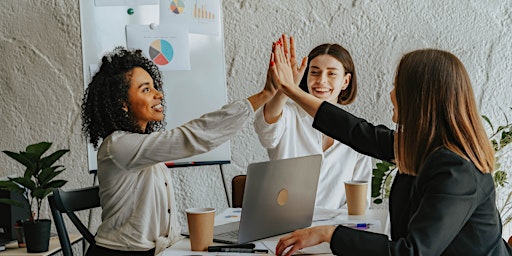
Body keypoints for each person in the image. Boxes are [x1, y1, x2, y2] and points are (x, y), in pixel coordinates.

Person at [269, 39, 512, 255]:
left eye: (398, 87)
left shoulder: (456, 170)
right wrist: (291, 90)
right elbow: (356, 131)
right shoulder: (424, 147)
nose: (391, 94)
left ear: (419, 99)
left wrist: (329, 234)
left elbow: (412, 252)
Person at [81, 47, 276, 256]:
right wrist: (265, 95)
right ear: (123, 105)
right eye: (146, 89)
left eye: (154, 87)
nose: (159, 94)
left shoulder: (144, 148)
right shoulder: (117, 146)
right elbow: (190, 137)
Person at [253, 35, 372, 210]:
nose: (321, 80)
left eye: (331, 73)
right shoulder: (288, 115)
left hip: (332, 231)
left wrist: (332, 232)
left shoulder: (357, 132)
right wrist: (286, 88)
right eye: (314, 72)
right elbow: (266, 132)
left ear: (345, 81)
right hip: (284, 226)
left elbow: (360, 202)